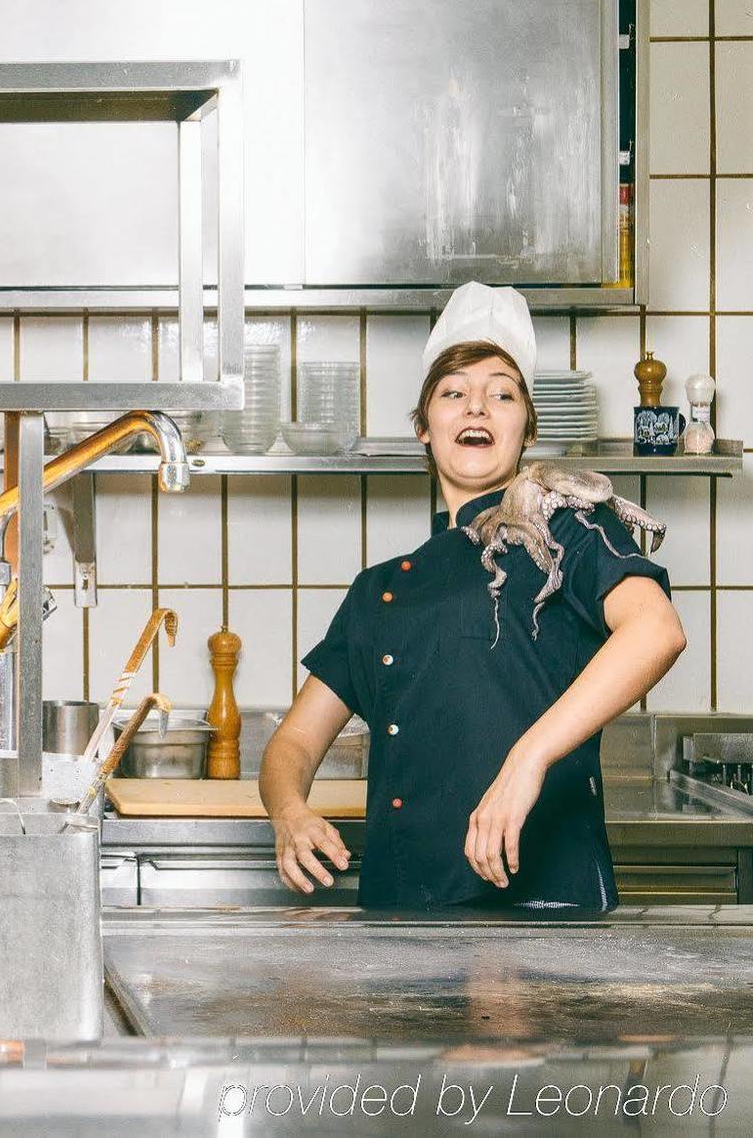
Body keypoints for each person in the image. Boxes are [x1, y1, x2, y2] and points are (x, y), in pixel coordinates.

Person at [261, 282, 686, 910]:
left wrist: (526, 760)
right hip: (402, 917)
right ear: (425, 431)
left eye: (502, 394)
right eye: (454, 393)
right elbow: (294, 742)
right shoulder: (378, 589)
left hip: (542, 915)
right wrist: (289, 812)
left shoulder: (564, 526)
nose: (476, 408)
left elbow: (657, 631)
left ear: (525, 429)